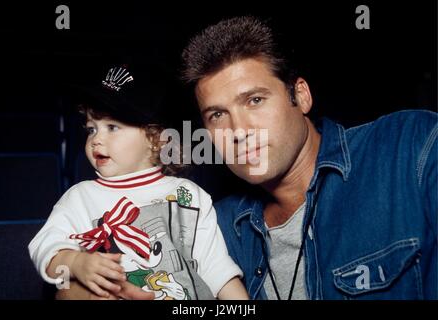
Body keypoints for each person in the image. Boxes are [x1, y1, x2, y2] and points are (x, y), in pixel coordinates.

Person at [179, 16, 437, 299]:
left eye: (255, 100)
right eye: (217, 115)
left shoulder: (409, 148)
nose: (238, 131)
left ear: (301, 96)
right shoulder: (213, 226)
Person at [28, 62, 248, 300]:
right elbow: (45, 248)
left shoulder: (190, 194)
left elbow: (217, 268)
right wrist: (75, 261)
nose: (96, 140)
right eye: (91, 129)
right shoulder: (80, 197)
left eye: (112, 127)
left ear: (156, 139)